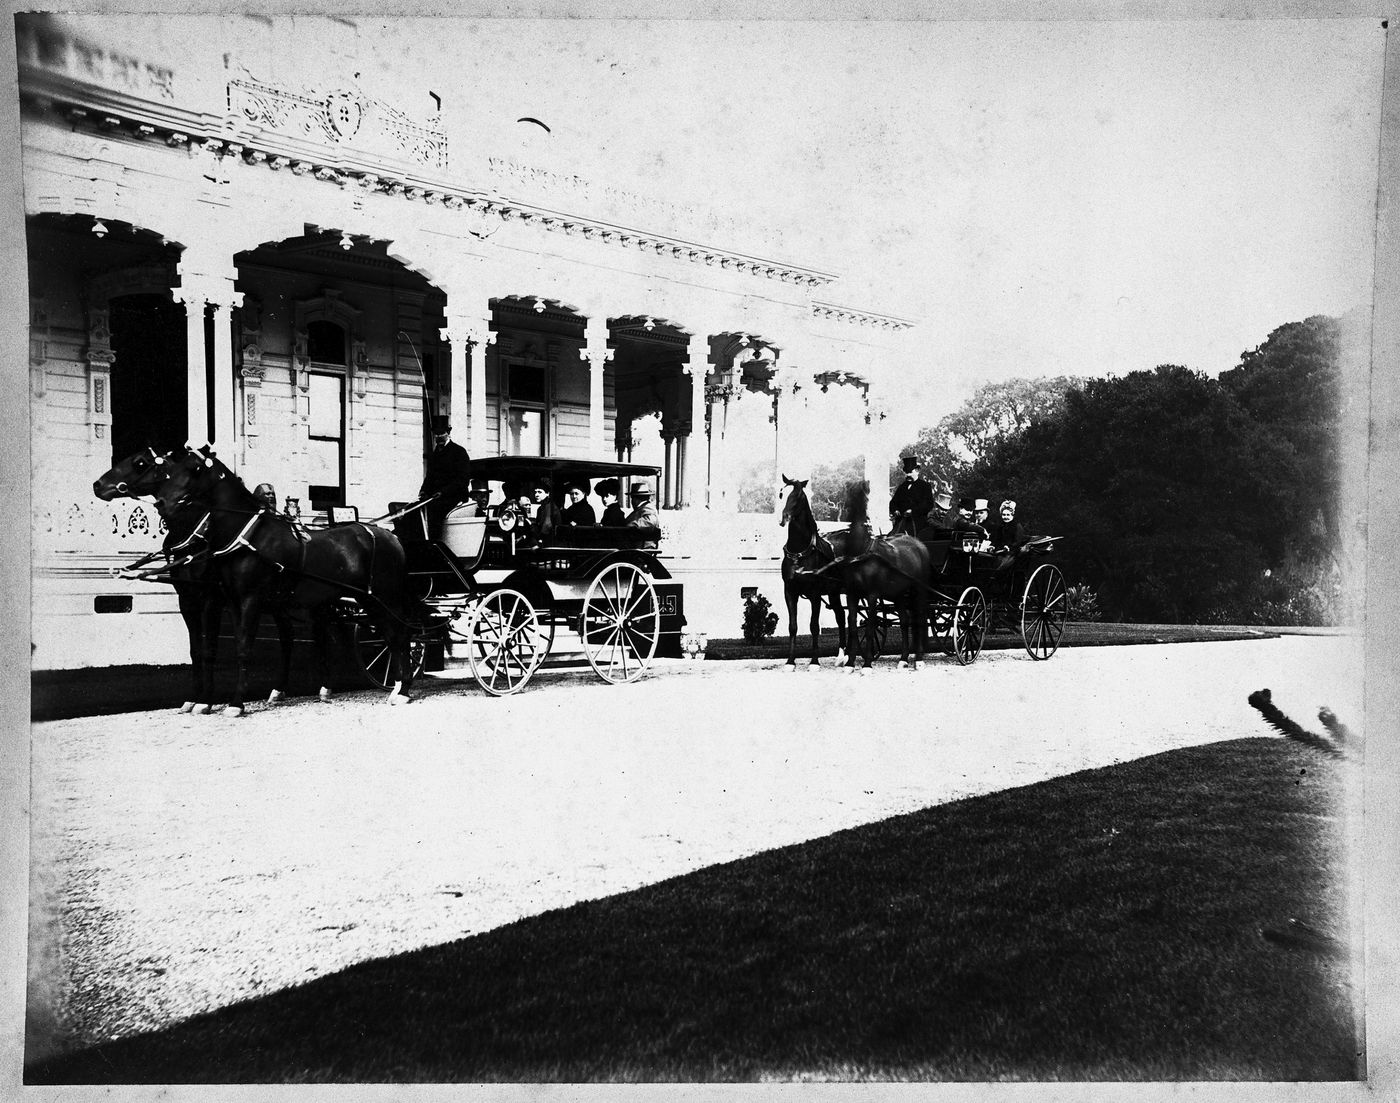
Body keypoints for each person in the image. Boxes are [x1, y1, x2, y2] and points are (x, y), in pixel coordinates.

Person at [417, 415, 472, 538]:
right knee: (415, 510)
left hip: (454, 497)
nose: (438, 437)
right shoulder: (434, 453)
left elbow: (462, 480)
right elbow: (429, 476)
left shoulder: (459, 452)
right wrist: (424, 490)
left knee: (434, 512)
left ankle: (436, 544)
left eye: (441, 433)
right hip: (436, 497)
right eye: (436, 434)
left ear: (448, 433)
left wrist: (443, 492)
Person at [889, 455, 934, 536]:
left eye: (910, 472)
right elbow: (893, 502)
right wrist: (895, 510)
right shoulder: (902, 487)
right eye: (906, 472)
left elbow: (928, 504)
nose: (908, 475)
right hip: (901, 523)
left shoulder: (925, 486)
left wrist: (913, 511)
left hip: (918, 524)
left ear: (917, 471)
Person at [624, 480, 660, 548]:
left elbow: (650, 522)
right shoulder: (641, 509)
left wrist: (631, 525)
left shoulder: (648, 508)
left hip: (641, 545)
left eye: (632, 498)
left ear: (635, 499)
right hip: (636, 543)